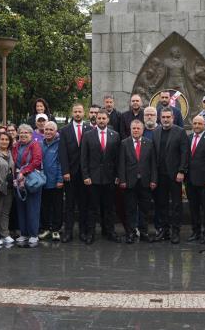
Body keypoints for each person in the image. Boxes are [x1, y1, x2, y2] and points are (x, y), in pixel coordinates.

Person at [80, 110, 121, 244]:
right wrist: (85, 175)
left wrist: (117, 175)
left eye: (104, 118)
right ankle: (90, 233)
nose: (101, 120)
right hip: (93, 178)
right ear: (95, 120)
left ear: (108, 120)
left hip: (109, 179)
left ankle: (110, 232)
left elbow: (117, 159)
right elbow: (84, 158)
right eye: (99, 118)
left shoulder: (115, 135)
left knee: (109, 207)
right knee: (92, 208)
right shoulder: (87, 135)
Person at [119, 119, 157, 243]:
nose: (136, 130)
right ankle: (130, 233)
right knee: (130, 209)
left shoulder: (149, 143)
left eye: (138, 128)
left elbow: (153, 164)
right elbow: (121, 164)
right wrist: (122, 180)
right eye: (133, 128)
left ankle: (144, 232)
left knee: (144, 209)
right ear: (130, 130)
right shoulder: (124, 143)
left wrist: (153, 180)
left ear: (142, 130)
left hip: (145, 182)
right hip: (129, 182)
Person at [154, 106, 188, 243]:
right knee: (161, 204)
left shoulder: (180, 132)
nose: (166, 119)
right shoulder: (156, 132)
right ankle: (164, 230)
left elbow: (185, 153)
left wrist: (181, 171)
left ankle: (175, 231)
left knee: (176, 205)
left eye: (168, 117)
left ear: (173, 118)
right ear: (160, 118)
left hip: (175, 175)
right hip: (160, 175)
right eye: (163, 117)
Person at [59, 103, 89, 243]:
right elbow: (62, 152)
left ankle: (83, 231)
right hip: (70, 173)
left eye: (80, 111)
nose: (77, 114)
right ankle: (68, 232)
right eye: (75, 111)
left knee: (84, 204)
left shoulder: (90, 129)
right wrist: (65, 171)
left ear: (84, 113)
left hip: (84, 174)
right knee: (69, 205)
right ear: (72, 113)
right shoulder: (64, 130)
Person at [185, 115, 205, 242]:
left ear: (204, 125)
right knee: (193, 208)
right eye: (195, 123)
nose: (197, 126)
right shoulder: (188, 138)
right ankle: (195, 232)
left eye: (199, 123)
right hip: (190, 181)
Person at [12, 124, 44, 246]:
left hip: (31, 179)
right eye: (21, 132)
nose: (24, 135)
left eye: (26, 133)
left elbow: (36, 161)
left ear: (31, 135)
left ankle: (34, 234)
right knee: (21, 207)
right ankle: (24, 233)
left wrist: (23, 172)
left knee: (33, 207)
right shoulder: (16, 146)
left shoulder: (35, 145)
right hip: (18, 180)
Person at [38, 120, 64, 240]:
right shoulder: (40, 143)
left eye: (51, 130)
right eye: (46, 129)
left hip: (56, 181)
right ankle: (46, 228)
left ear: (56, 131)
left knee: (57, 206)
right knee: (45, 206)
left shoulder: (60, 144)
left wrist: (60, 179)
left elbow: (60, 163)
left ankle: (56, 229)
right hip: (43, 181)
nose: (48, 132)